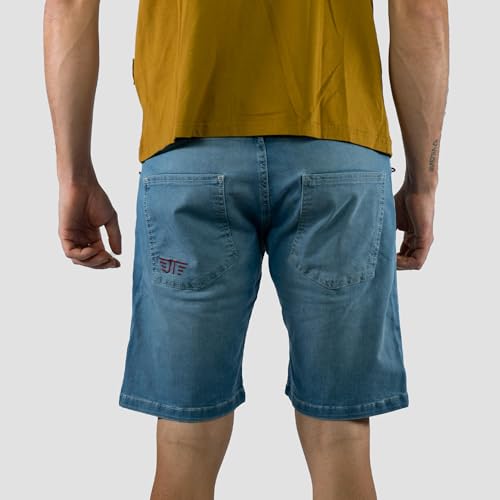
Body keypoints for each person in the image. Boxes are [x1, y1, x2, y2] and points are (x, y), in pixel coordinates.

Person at [44, 0, 449, 498]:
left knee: (184, 444)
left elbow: (69, 5)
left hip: (188, 145)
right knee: (341, 441)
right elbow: (421, 8)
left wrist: (74, 175)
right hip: (338, 144)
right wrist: (423, 180)